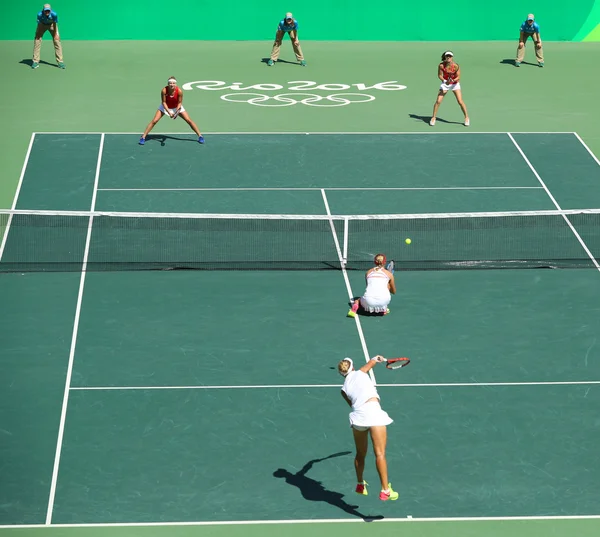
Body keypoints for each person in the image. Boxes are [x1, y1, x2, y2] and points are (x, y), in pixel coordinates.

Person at [338, 356, 399, 501]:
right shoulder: (361, 372)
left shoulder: (343, 390)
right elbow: (372, 362)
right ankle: (385, 490)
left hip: (358, 417)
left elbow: (352, 404)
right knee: (380, 454)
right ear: (352, 367)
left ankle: (360, 484)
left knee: (360, 453)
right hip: (373, 412)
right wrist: (378, 358)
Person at [139, 77, 205, 145]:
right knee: (154, 121)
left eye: (173, 83)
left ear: (175, 84)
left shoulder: (179, 91)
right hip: (165, 107)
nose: (172, 84)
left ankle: (200, 136)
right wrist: (169, 112)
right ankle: (143, 137)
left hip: (176, 107)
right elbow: (164, 102)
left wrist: (176, 111)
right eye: (170, 83)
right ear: (168, 84)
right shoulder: (164, 90)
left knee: (189, 120)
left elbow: (179, 103)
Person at [430, 51, 469, 127]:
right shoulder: (441, 65)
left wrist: (453, 80)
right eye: (447, 56)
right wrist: (444, 81)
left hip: (455, 84)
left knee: (460, 101)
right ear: (445, 57)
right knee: (438, 101)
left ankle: (466, 117)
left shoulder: (456, 66)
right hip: (445, 84)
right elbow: (439, 75)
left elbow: (458, 77)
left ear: (452, 57)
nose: (448, 57)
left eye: (450, 56)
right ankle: (433, 118)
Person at [32, 4, 65, 69]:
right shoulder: (39, 14)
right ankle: (35, 61)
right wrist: (38, 34)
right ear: (43, 10)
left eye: (48, 11)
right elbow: (39, 24)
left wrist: (56, 34)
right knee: (37, 40)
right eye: (45, 11)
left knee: (57, 41)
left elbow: (55, 23)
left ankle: (60, 62)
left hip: (52, 25)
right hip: (42, 25)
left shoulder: (54, 14)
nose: (47, 12)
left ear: (50, 10)